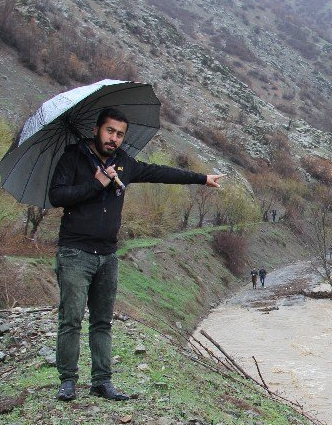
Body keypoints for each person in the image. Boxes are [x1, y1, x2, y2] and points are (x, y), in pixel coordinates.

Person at [49, 107, 223, 401]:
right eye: (109, 131)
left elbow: (160, 173)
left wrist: (202, 178)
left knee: (103, 321)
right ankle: (67, 381)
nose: (113, 138)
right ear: (97, 130)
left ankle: (102, 381)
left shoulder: (123, 165)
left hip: (107, 255)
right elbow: (57, 197)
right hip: (75, 253)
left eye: (119, 134)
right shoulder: (72, 158)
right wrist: (96, 183)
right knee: (72, 319)